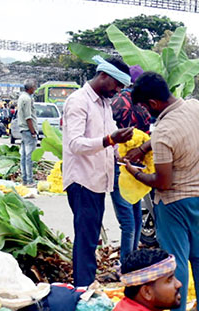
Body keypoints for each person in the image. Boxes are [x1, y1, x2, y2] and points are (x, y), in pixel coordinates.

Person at [124, 72, 199, 311]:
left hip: (175, 201)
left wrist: (135, 173)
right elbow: (176, 136)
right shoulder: (197, 107)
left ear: (152, 103)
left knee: (176, 260)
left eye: (144, 107)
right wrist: (144, 149)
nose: (145, 112)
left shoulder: (164, 131)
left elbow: (163, 182)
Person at [62, 56, 135, 287]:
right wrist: (109, 140)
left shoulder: (104, 104)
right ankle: (83, 288)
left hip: (98, 180)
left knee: (91, 237)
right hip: (82, 180)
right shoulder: (78, 101)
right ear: (104, 76)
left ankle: (86, 284)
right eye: (117, 85)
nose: (118, 91)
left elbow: (112, 140)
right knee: (86, 239)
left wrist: (123, 153)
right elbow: (75, 143)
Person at [110, 66, 153, 267]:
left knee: (127, 221)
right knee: (135, 213)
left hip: (120, 162)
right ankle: (133, 259)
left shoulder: (118, 101)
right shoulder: (145, 104)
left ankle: (126, 263)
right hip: (140, 163)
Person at [16, 79, 39, 186]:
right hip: (28, 130)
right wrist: (33, 131)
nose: (35, 89)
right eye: (34, 87)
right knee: (29, 157)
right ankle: (29, 180)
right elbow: (28, 117)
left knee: (24, 156)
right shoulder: (27, 99)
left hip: (23, 130)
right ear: (30, 88)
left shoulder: (22, 97)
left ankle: (25, 179)